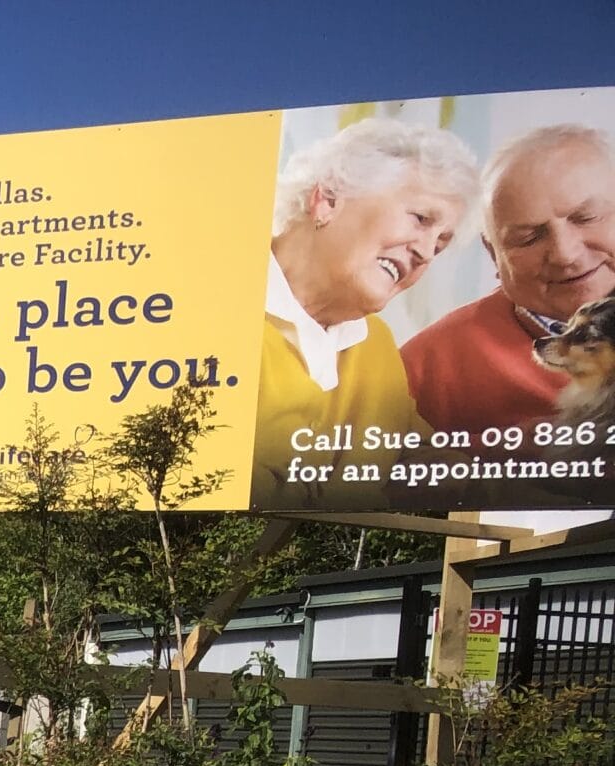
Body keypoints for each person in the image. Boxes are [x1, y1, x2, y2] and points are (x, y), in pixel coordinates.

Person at [254, 118, 477, 506]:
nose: (425, 252)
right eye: (421, 219)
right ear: (328, 199)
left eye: (440, 244)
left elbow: (417, 456)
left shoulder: (376, 346)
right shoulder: (216, 302)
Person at [403, 124, 615, 436]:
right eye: (528, 238)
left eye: (586, 218)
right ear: (493, 253)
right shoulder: (424, 368)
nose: (565, 254)